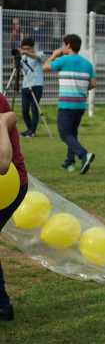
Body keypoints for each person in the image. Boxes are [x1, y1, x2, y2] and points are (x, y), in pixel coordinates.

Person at [43, 34, 96, 174]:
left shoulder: (63, 60)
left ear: (68, 45)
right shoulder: (87, 63)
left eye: (63, 44)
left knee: (64, 133)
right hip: (80, 104)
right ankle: (69, 162)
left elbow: (45, 67)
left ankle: (84, 155)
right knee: (72, 133)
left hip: (67, 104)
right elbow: (93, 83)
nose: (62, 47)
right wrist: (81, 89)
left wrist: (54, 55)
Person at [0, 100, 27, 321]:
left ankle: (3, 304)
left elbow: (3, 164)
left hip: (9, 185)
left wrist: (1, 124)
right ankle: (3, 305)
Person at [18, 38, 45, 138]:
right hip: (25, 85)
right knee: (24, 110)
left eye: (28, 49)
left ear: (33, 47)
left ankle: (32, 131)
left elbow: (36, 57)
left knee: (34, 108)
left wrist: (25, 53)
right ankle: (30, 129)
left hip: (37, 84)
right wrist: (16, 57)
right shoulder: (23, 57)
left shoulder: (40, 54)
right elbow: (16, 66)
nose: (26, 50)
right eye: (24, 49)